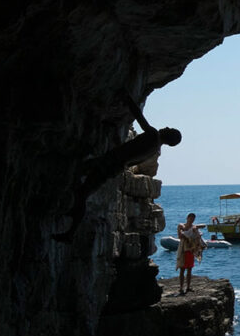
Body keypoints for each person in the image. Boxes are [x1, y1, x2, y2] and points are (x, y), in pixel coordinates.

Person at [54, 92, 182, 241]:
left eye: (170, 129)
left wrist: (128, 98)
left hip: (110, 162)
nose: (166, 127)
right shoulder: (154, 150)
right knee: (82, 189)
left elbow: (140, 118)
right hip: (115, 166)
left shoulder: (153, 135)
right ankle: (73, 213)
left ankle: (71, 230)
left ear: (169, 135)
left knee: (80, 185)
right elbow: (131, 159)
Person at [176, 213, 206, 294]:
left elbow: (203, 226)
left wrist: (195, 227)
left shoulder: (194, 227)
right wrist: (189, 232)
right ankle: (181, 288)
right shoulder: (181, 225)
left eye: (193, 219)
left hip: (191, 250)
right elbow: (180, 235)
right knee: (182, 269)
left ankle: (188, 287)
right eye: (190, 218)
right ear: (187, 218)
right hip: (183, 249)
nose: (191, 220)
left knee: (189, 269)